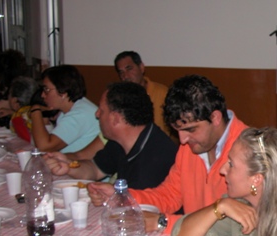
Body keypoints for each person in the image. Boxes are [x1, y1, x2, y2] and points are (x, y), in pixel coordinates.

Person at [88, 74, 247, 233]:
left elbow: (234, 227)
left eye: (190, 129)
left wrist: (162, 222)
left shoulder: (248, 151)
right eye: (177, 131)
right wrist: (123, 197)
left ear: (215, 118)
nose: (183, 140)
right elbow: (169, 195)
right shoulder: (191, 146)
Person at [44, 82, 177, 189]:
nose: (97, 114)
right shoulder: (121, 141)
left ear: (116, 119)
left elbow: (136, 206)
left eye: (101, 110)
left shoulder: (155, 158)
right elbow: (95, 170)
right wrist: (68, 166)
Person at [29, 65, 99, 153]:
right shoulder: (69, 110)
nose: (42, 95)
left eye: (47, 89)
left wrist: (35, 110)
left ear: (63, 92)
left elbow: (44, 146)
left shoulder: (80, 114)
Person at [114, 51, 171, 137]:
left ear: (141, 67)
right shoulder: (118, 98)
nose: (125, 76)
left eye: (129, 69)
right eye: (121, 72)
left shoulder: (162, 93)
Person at [5, 76, 38, 142]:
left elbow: (25, 141)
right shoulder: (38, 111)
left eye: (9, 94)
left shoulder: (17, 117)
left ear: (15, 101)